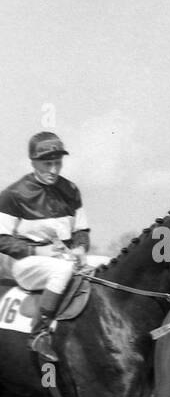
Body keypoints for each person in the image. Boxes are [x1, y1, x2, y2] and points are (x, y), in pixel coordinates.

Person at [0, 132, 90, 360]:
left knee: (104, 268)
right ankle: (38, 333)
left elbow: (81, 230)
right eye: (47, 164)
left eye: (57, 163)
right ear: (33, 162)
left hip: (65, 258)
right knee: (61, 270)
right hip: (27, 263)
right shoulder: (13, 194)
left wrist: (80, 248)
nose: (53, 170)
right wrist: (37, 251)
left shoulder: (71, 190)